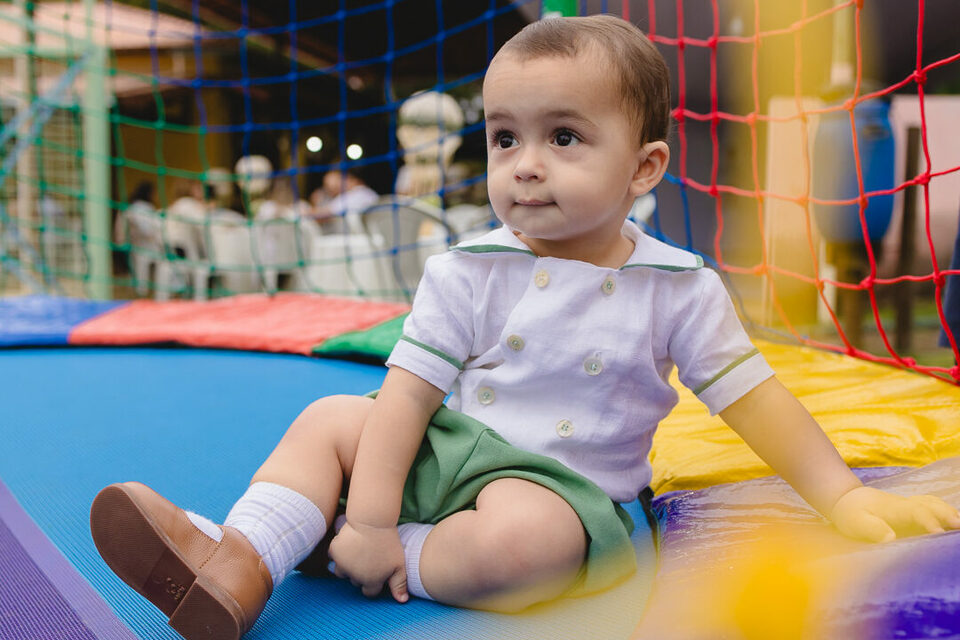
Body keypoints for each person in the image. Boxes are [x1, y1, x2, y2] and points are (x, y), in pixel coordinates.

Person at [89, 15, 960, 640]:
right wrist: (374, 512)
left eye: (565, 138)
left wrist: (843, 495)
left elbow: (756, 401)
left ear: (644, 168)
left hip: (558, 493)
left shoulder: (678, 288)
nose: (526, 166)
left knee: (526, 547)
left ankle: (344, 550)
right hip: (450, 449)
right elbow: (408, 398)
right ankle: (244, 561)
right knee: (332, 420)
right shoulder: (469, 266)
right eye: (505, 139)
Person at [308, 167, 379, 233]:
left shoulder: (356, 194)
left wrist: (305, 210)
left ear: (348, 179)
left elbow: (322, 214)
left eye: (335, 187)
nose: (332, 191)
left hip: (364, 238)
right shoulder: (366, 192)